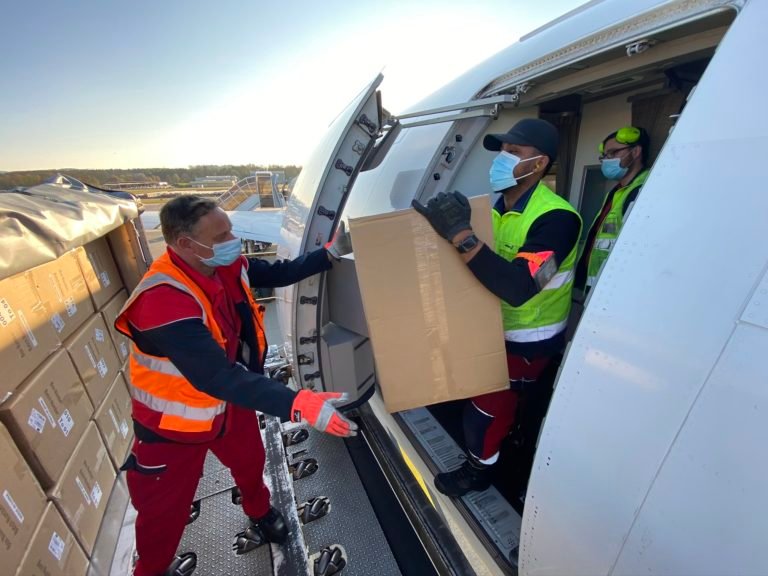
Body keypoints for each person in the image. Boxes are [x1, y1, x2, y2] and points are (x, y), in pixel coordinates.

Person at [115, 196, 356, 576]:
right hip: (174, 429)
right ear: (185, 244)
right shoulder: (161, 300)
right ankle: (150, 570)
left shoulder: (223, 265)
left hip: (230, 405)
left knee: (250, 464)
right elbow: (216, 376)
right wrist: (297, 403)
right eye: (222, 235)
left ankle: (260, 512)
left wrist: (329, 254)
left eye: (230, 230)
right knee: (162, 515)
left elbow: (278, 272)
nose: (234, 241)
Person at [412, 118, 582, 497]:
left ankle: (479, 472)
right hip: (491, 330)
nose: (501, 159)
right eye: (501, 151)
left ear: (539, 163)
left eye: (513, 152)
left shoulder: (558, 220)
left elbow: (519, 287)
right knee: (481, 402)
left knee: (484, 414)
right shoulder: (496, 209)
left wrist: (460, 234)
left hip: (529, 343)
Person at [574, 125, 650, 293]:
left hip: (616, 287)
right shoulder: (616, 192)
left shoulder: (644, 190)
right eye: (605, 156)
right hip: (597, 285)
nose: (607, 160)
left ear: (636, 152)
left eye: (614, 153)